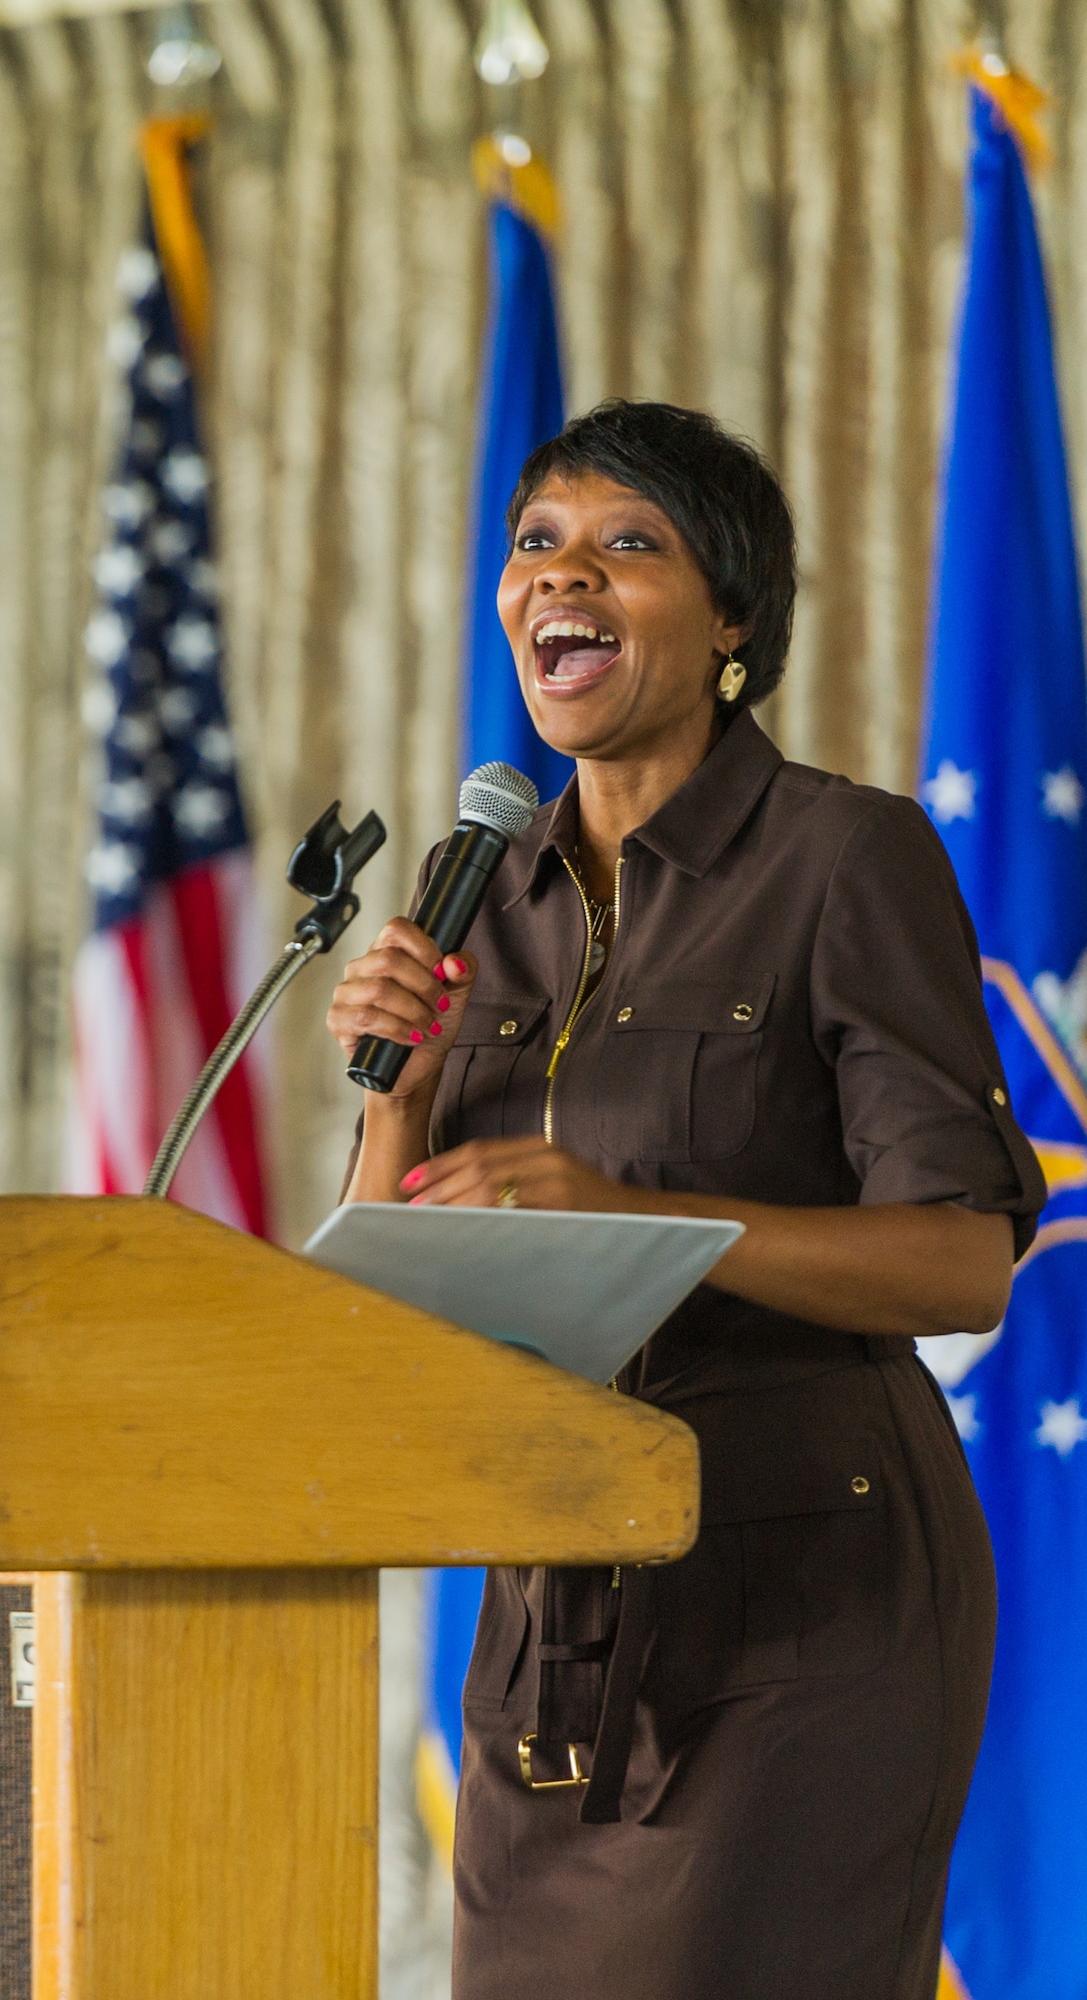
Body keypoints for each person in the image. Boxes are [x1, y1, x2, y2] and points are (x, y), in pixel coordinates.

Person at [328, 401, 1045, 2000]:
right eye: (535, 543)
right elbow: (391, 1279)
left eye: (624, 544)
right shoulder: (476, 901)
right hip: (551, 1619)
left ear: (734, 621)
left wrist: (633, 1222)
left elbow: (963, 1260)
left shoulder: (841, 858)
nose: (558, 576)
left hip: (804, 1608)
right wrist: (409, 1093)